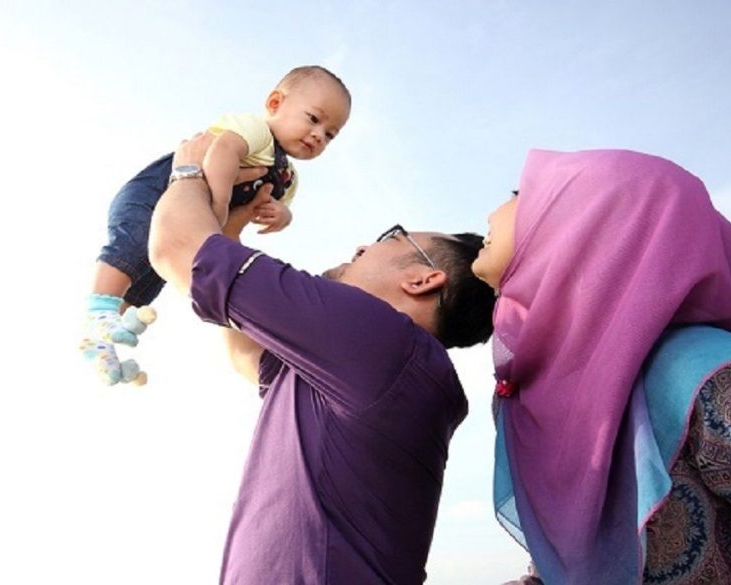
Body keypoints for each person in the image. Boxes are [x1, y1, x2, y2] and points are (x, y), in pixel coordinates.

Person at [147, 132, 496, 584]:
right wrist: (230, 228)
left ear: (421, 279)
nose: (363, 247)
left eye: (392, 237)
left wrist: (189, 171)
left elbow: (176, 249)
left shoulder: (382, 338)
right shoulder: (384, 366)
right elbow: (248, 353)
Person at [471, 149, 731, 584]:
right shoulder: (535, 402)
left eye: (518, 195)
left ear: (589, 223)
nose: (492, 213)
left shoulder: (707, 372)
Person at [80, 65, 352, 385]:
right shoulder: (256, 132)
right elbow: (222, 152)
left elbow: (273, 205)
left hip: (186, 213)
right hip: (156, 191)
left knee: (152, 274)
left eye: (330, 134)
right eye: (314, 119)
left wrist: (282, 215)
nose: (319, 135)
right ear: (276, 103)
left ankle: (103, 343)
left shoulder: (287, 176)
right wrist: (219, 206)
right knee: (134, 244)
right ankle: (99, 309)